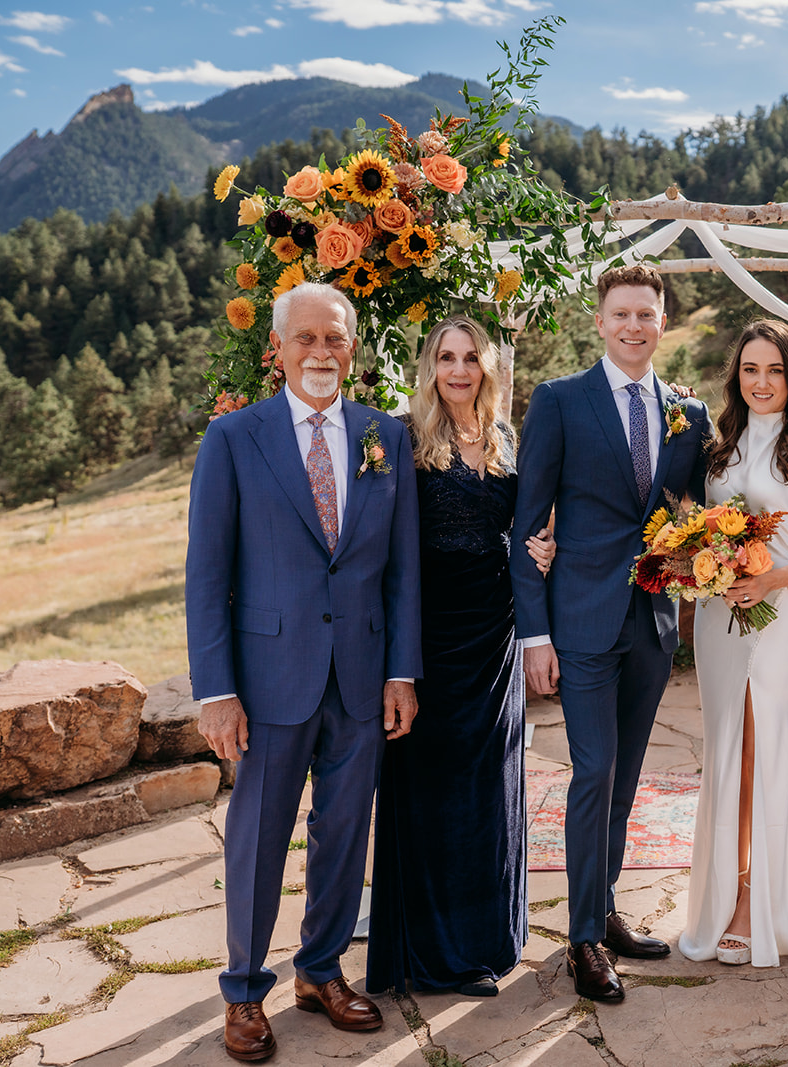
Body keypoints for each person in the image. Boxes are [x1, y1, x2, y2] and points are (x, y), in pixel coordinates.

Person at [187, 282, 422, 1062]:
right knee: (257, 836)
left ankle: (320, 970)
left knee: (345, 831)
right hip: (266, 679)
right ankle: (245, 990)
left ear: (353, 348)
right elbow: (206, 572)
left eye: (336, 339)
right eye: (307, 339)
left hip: (360, 676)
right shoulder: (234, 438)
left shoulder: (385, 435)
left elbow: (401, 573)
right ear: (278, 349)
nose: (322, 352)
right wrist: (216, 689)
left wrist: (401, 671)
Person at [510, 263, 715, 1003]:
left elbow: (690, 507)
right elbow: (528, 523)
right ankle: (583, 941)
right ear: (600, 321)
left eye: (647, 314)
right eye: (622, 313)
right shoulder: (561, 402)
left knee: (626, 780)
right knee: (593, 773)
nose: (634, 325)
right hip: (581, 621)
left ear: (664, 322)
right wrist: (534, 634)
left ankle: (605, 910)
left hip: (654, 623)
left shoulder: (688, 414)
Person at [366, 316, 556, 999]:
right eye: (445, 358)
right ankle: (434, 956)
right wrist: (397, 660)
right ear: (429, 367)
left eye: (469, 357)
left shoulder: (507, 439)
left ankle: (489, 938)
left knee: (490, 788)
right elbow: (384, 552)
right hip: (430, 637)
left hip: (496, 637)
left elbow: (523, 528)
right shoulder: (405, 439)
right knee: (433, 790)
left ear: (488, 367)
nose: (457, 370)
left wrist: (541, 551)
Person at [678, 319, 788, 969]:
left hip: (775, 619)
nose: (760, 381)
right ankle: (721, 895)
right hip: (720, 622)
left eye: (774, 370)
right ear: (736, 376)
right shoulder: (718, 444)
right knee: (726, 753)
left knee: (761, 750)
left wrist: (774, 577)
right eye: (750, 369)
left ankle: (756, 903)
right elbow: (701, 524)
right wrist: (706, 563)